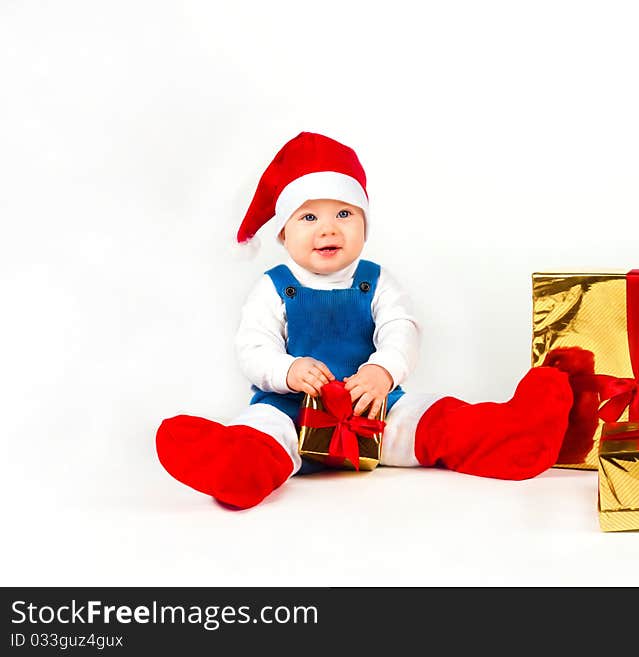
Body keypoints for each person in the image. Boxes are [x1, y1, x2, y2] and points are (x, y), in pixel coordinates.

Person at [155, 132, 597, 509]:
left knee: (435, 420)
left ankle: (511, 436)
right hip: (292, 410)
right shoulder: (273, 287)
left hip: (372, 407)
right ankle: (239, 466)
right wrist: (286, 370)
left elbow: (401, 328)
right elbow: (253, 347)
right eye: (309, 217)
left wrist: (382, 370)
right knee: (265, 433)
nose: (329, 229)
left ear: (365, 224)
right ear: (283, 233)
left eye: (344, 214)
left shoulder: (378, 281)